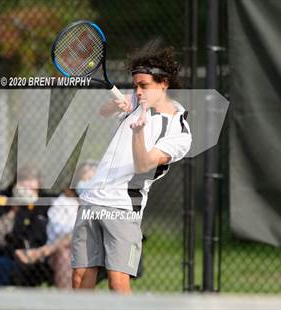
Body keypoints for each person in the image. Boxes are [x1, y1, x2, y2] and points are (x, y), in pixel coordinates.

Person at [71, 45, 192, 293]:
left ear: (164, 84)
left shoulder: (179, 132)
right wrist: (116, 105)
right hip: (91, 199)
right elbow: (103, 112)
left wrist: (138, 133)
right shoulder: (136, 100)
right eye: (135, 85)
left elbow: (145, 163)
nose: (138, 90)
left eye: (143, 85)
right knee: (79, 277)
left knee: (118, 282)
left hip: (123, 208)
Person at [15, 160, 98, 289]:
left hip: (94, 251)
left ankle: (39, 253)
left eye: (92, 180)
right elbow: (59, 232)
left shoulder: (104, 205)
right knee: (65, 253)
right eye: (85, 179)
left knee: (81, 232)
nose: (89, 183)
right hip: (64, 251)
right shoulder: (62, 203)